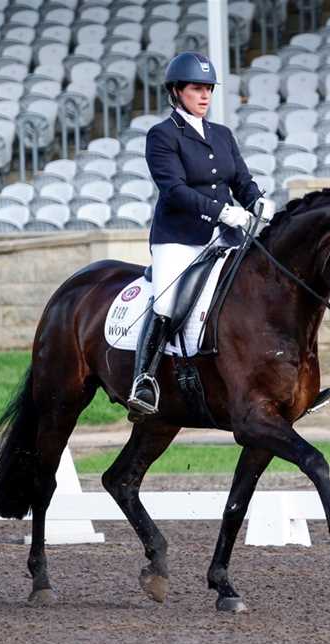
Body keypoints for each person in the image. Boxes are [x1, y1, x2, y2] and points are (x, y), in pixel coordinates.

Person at [127, 51, 273, 417]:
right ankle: (144, 379)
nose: (205, 95)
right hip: (179, 238)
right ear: (176, 91)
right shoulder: (162, 136)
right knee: (165, 304)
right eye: (197, 89)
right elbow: (173, 190)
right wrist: (222, 211)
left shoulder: (221, 135)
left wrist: (257, 201)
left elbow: (240, 179)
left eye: (208, 88)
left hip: (225, 237)